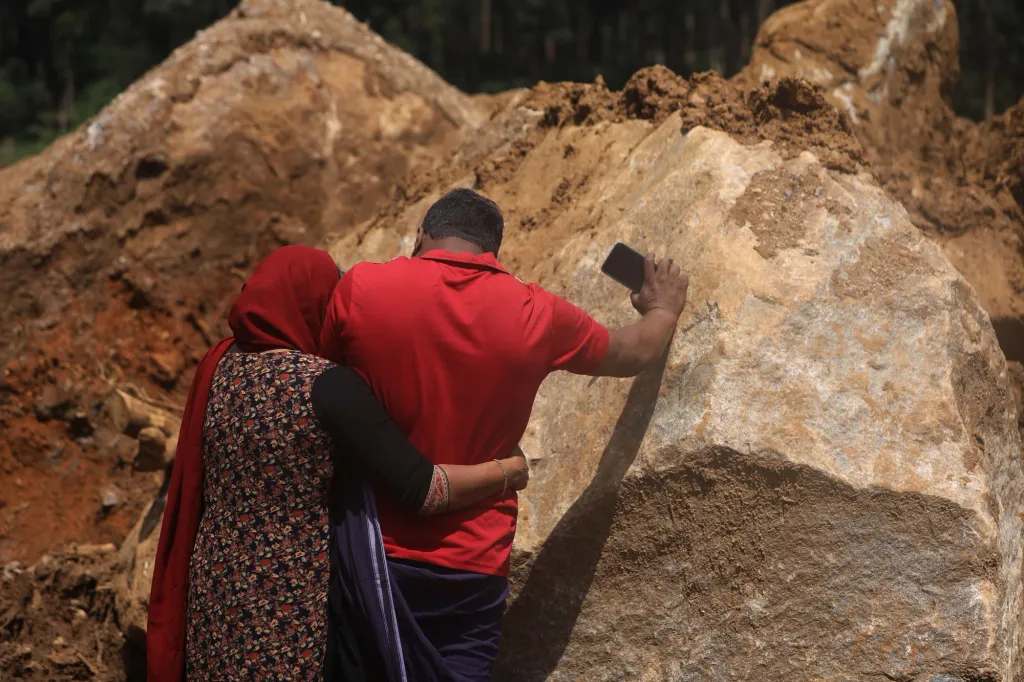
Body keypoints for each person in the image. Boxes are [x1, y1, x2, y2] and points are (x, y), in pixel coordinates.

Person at [319, 188, 690, 679]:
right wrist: (662, 310)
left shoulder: (362, 287)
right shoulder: (536, 312)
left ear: (421, 237)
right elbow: (631, 353)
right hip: (473, 562)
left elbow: (321, 385)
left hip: (372, 548)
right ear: (492, 253)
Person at [145, 245, 529, 682]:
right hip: (286, 607)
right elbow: (423, 487)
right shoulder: (327, 386)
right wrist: (506, 472)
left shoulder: (220, 367)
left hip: (215, 592)